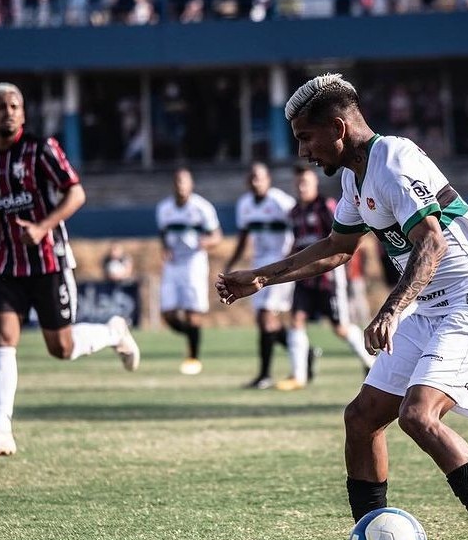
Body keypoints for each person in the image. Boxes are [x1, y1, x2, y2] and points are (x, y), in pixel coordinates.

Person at [217, 73, 468, 540]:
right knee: (362, 418)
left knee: (417, 414)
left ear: (338, 128)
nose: (302, 151)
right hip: (431, 307)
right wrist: (261, 276)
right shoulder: (354, 178)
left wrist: (390, 309)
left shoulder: (396, 160)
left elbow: (433, 243)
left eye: (305, 137)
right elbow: (338, 248)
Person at [0, 83, 140, 457]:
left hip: (48, 261)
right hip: (6, 262)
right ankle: (2, 430)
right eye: (0, 106)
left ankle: (112, 331)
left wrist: (41, 227)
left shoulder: (42, 150)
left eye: (14, 105)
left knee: (62, 347)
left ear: (23, 113)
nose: (8, 111)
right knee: (2, 337)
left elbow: (76, 192)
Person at [275, 165, 377, 391]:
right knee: (296, 320)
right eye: (299, 183)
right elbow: (296, 241)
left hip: (328, 278)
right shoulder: (294, 212)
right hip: (303, 278)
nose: (302, 187)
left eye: (306, 183)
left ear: (315, 184)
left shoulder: (327, 207)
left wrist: (350, 273)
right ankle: (298, 377)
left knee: (340, 328)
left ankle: (372, 363)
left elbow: (343, 240)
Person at [224, 162, 296, 389]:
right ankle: (303, 351)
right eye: (253, 178)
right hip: (258, 264)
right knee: (264, 320)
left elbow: (299, 226)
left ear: (268, 180)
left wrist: (294, 261)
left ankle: (264, 375)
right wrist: (231, 263)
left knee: (266, 316)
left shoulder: (281, 202)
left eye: (260, 177)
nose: (256, 182)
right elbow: (244, 237)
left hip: (280, 265)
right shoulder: (244, 204)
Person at [156, 167, 222, 375]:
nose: (180, 186)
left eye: (184, 182)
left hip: (194, 263)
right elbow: (163, 234)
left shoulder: (202, 208)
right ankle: (191, 335)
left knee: (193, 313)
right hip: (173, 264)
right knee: (167, 313)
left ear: (191, 184)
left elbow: (217, 236)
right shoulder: (164, 208)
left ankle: (193, 358)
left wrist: (206, 242)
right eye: (177, 182)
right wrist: (165, 249)